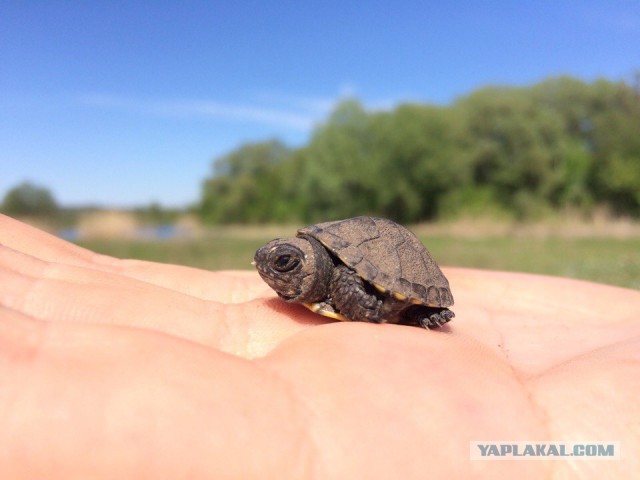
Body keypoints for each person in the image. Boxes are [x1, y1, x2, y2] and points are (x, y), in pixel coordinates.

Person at [0, 213, 637, 478]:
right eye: (274, 262)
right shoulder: (308, 270)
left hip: (397, 278)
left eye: (282, 263)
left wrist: (393, 311)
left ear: (311, 265)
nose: (271, 269)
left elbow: (373, 289)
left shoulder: (346, 276)